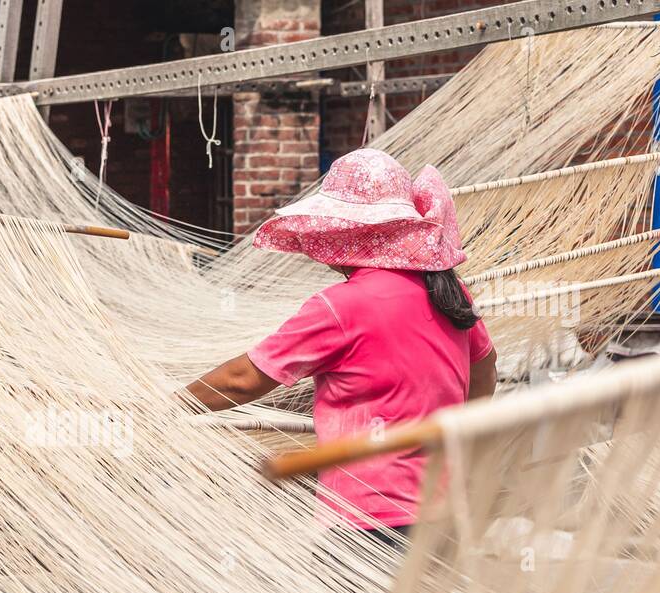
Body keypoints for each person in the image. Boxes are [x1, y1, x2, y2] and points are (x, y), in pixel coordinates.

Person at [182, 148, 497, 543]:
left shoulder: (342, 307)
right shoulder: (451, 292)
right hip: (446, 515)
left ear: (350, 231)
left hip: (369, 520)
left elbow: (243, 380)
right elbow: (484, 376)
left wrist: (166, 406)